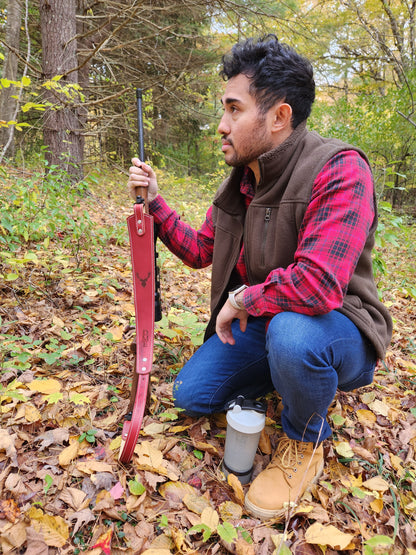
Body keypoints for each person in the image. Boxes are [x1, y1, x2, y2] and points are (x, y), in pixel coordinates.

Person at [127, 35, 392, 521]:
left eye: (233, 109)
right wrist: (156, 203)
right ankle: (289, 375)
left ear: (278, 117)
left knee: (293, 337)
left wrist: (244, 298)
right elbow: (200, 250)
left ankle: (306, 438)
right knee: (192, 395)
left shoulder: (340, 168)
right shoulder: (242, 181)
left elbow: (318, 286)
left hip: (338, 330)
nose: (221, 125)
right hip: (265, 327)